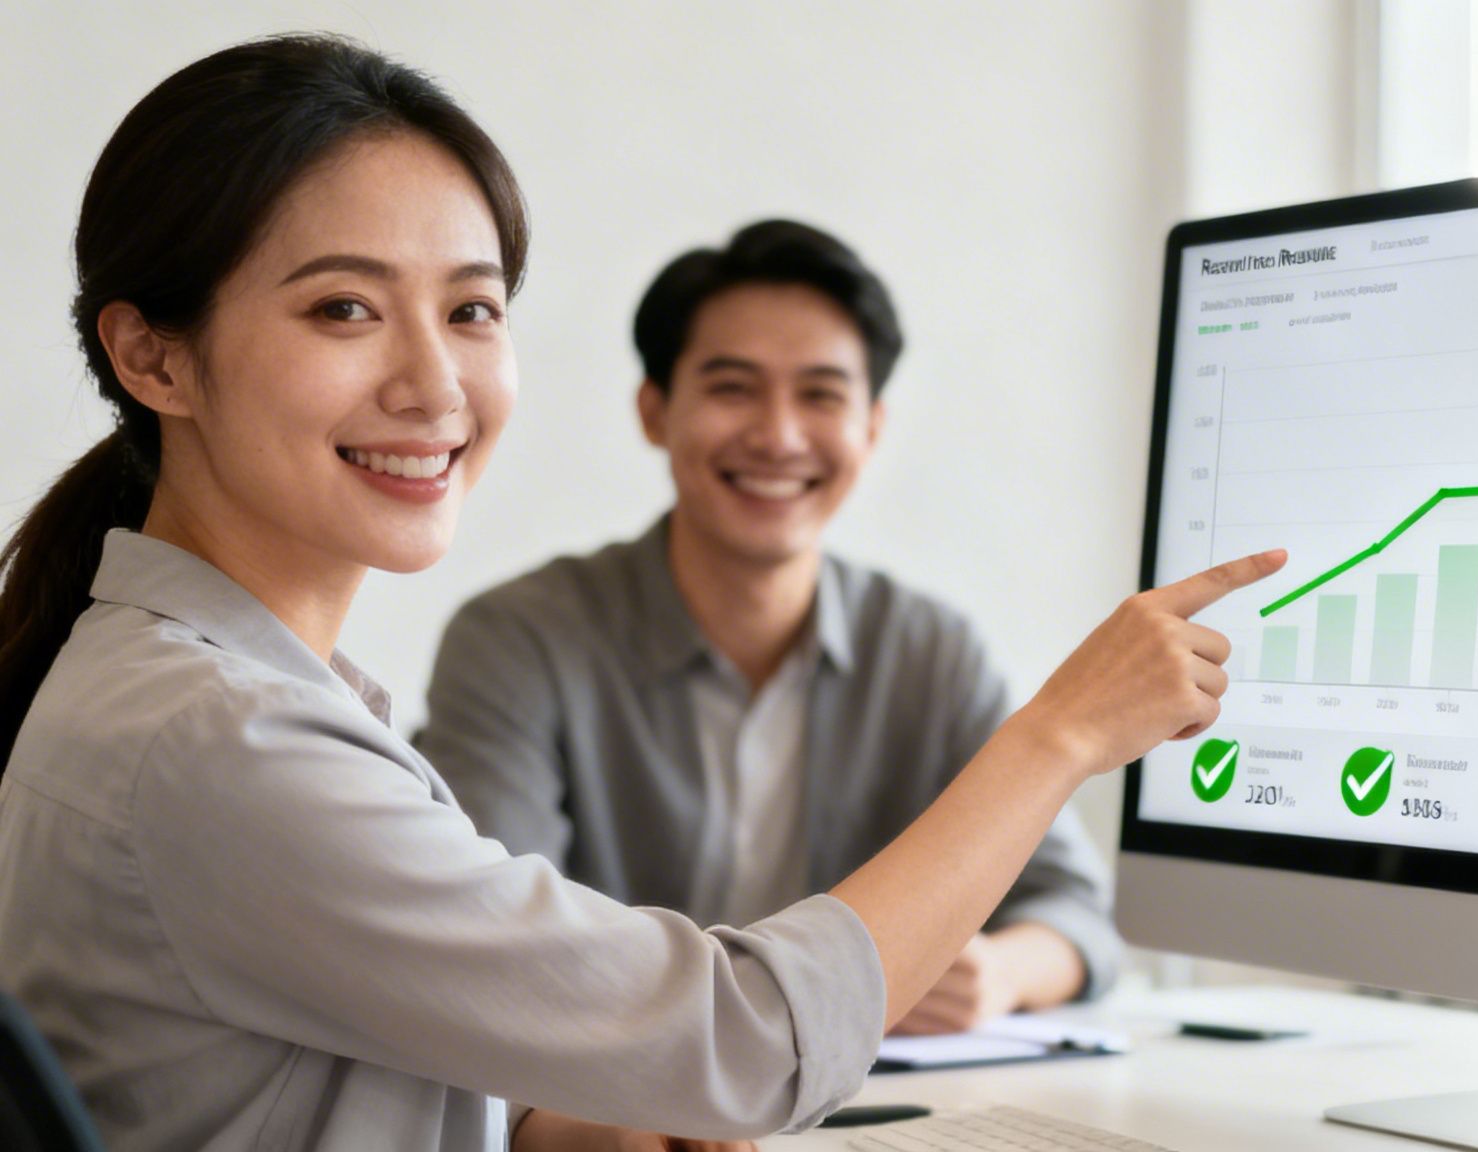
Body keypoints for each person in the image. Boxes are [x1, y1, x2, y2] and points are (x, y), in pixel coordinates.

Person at [0, 32, 1282, 1152]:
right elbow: (747, 1042)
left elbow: (372, 1037)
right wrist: (1059, 736)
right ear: (151, 354)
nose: (434, 384)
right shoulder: (226, 740)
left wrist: (554, 1127)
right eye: (345, 309)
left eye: (472, 310)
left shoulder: (212, 695)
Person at [417, 220, 1115, 1036]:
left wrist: (998, 971)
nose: (779, 436)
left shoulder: (932, 652)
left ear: (872, 428)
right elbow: (497, 937)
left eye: (821, 394)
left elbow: (1076, 914)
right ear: (655, 411)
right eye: (733, 387)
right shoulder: (518, 640)